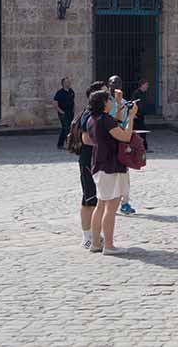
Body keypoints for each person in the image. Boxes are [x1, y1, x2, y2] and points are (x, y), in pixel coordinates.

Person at [87, 87, 137, 254]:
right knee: (111, 205)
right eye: (109, 100)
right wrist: (131, 117)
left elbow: (115, 120)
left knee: (101, 204)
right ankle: (108, 245)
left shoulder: (93, 119)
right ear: (103, 103)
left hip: (100, 164)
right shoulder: (105, 120)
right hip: (110, 165)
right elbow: (125, 136)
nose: (111, 103)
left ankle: (95, 243)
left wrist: (118, 102)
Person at [74, 80, 105, 250]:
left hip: (95, 160)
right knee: (89, 199)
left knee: (94, 199)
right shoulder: (88, 114)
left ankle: (94, 234)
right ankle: (87, 237)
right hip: (88, 160)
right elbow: (86, 139)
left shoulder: (97, 114)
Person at [107, 76, 137, 216]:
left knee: (124, 173)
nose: (116, 85)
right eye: (113, 83)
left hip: (120, 140)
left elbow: (124, 122)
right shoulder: (104, 102)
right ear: (108, 85)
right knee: (107, 174)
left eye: (118, 83)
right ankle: (105, 201)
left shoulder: (125, 103)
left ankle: (125, 202)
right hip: (106, 141)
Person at [54, 77, 75, 151]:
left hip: (70, 112)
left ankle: (60, 144)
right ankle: (69, 145)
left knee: (66, 128)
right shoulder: (59, 92)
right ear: (63, 84)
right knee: (66, 128)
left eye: (69, 82)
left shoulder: (71, 91)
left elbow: (73, 102)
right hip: (63, 112)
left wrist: (73, 110)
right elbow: (55, 103)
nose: (68, 83)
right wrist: (60, 111)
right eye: (66, 82)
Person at [130, 79, 151, 151]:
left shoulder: (143, 93)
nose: (147, 86)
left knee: (142, 131)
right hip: (137, 115)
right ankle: (142, 147)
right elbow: (133, 103)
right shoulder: (136, 93)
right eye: (146, 84)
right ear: (142, 85)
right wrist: (134, 113)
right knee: (140, 131)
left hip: (141, 115)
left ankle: (143, 147)